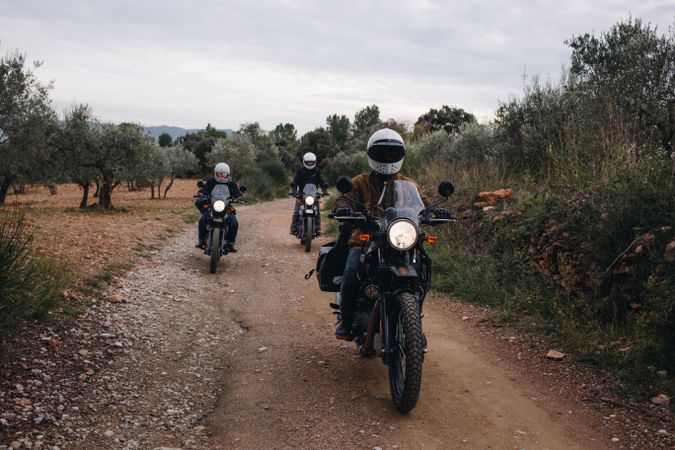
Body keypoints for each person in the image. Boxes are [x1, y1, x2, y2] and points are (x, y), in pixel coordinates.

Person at [332, 128, 431, 340]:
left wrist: (434, 211)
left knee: (423, 266)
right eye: (382, 153)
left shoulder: (408, 183)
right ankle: (347, 320)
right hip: (365, 239)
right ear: (372, 155)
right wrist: (343, 208)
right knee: (350, 270)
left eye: (392, 154)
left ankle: (414, 320)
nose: (387, 158)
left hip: (398, 239)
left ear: (400, 155)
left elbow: (423, 203)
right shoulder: (359, 182)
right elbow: (344, 199)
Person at [196, 162, 242, 252]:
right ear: (216, 173)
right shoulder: (211, 182)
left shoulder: (231, 184)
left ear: (228, 174)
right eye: (220, 174)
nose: (222, 176)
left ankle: (230, 243)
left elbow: (237, 193)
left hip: (226, 206)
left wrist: (239, 197)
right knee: (202, 220)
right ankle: (201, 241)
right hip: (212, 205)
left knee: (234, 222)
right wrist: (201, 193)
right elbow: (204, 190)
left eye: (225, 175)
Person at [289, 152, 329, 235]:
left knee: (317, 211)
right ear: (304, 162)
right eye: (308, 162)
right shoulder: (300, 171)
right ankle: (293, 227)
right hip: (301, 195)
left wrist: (324, 190)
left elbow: (322, 181)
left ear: (314, 162)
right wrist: (293, 190)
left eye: (311, 162)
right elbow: (295, 181)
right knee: (296, 211)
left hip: (314, 195)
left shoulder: (317, 171)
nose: (310, 163)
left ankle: (318, 228)